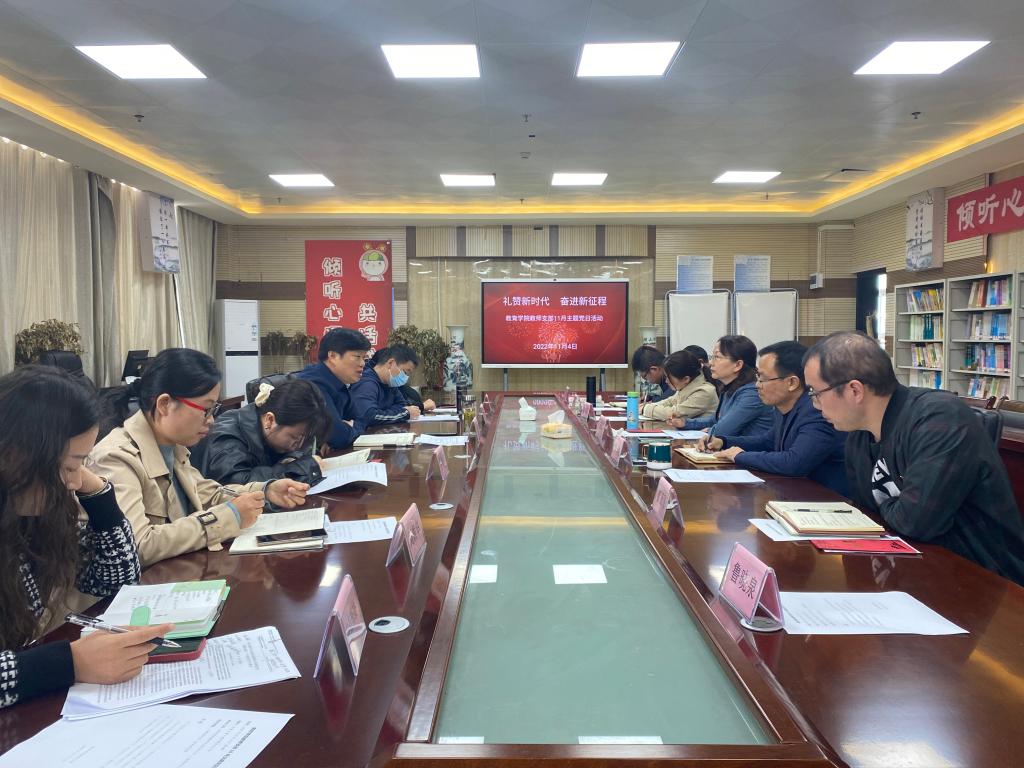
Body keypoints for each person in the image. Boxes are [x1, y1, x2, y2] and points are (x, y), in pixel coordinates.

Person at [0, 366, 172, 710]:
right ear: (15, 456)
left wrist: (99, 495)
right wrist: (68, 663)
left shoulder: (30, 518)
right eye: (70, 466)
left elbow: (116, 579)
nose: (77, 481)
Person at [804, 331, 1024, 585]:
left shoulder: (939, 418)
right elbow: (867, 518)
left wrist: (891, 510)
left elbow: (915, 523)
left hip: (985, 581)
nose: (815, 405)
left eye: (816, 393)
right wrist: (895, 507)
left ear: (855, 390)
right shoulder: (859, 436)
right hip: (912, 570)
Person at [92, 349, 309, 567]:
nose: (211, 420)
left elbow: (209, 495)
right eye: (206, 409)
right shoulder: (116, 458)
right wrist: (229, 517)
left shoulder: (173, 447)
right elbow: (137, 545)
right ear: (164, 404)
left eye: (214, 409)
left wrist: (266, 491)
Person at [699, 341, 848, 495]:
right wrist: (723, 441)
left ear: (792, 383)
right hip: (795, 493)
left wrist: (740, 456)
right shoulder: (784, 407)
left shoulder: (816, 411)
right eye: (757, 377)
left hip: (828, 499)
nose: (757, 385)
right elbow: (767, 441)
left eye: (763, 379)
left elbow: (794, 462)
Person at [200, 379, 330, 486]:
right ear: (270, 420)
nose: (298, 445)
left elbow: (296, 453)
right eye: (294, 437)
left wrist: (294, 459)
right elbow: (236, 485)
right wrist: (297, 469)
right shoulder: (227, 439)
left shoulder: (275, 432)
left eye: (303, 439)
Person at [295, 327, 371, 450]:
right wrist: (349, 428)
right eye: (357, 357)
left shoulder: (339, 381)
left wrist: (351, 428)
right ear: (333, 356)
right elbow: (340, 436)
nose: (363, 363)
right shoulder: (313, 384)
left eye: (364, 358)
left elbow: (362, 419)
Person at [683, 335, 773, 438]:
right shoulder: (729, 387)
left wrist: (711, 430)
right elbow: (716, 419)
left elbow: (721, 431)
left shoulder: (752, 394)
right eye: (712, 357)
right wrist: (685, 423)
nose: (711, 363)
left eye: (717, 357)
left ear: (738, 365)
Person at [349, 345, 425, 427]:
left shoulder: (390, 384)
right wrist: (405, 414)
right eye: (405, 372)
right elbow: (369, 416)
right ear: (390, 363)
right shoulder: (366, 382)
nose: (406, 377)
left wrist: (382, 412)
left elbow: (402, 405)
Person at [641, 349, 718, 422]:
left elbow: (676, 413)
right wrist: (646, 407)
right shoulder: (685, 387)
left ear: (686, 379)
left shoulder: (704, 393)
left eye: (669, 378)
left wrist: (646, 409)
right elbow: (670, 401)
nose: (666, 381)